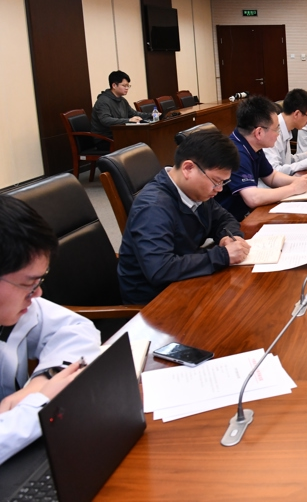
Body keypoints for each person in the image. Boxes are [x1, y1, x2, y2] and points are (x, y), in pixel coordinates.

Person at [0, 195, 101, 465]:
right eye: (29, 284)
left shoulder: (17, 306)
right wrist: (38, 403)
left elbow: (77, 328)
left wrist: (43, 379)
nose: (38, 294)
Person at [119, 130, 251, 303]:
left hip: (186, 283)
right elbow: (160, 269)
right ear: (188, 168)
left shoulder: (194, 191)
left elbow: (224, 219)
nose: (219, 189)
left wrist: (228, 237)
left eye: (223, 183)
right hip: (156, 302)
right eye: (216, 181)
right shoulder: (153, 207)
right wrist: (223, 255)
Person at [216, 95, 307, 222]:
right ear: (259, 132)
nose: (278, 134)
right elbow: (253, 198)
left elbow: (271, 176)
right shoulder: (236, 153)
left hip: (242, 216)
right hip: (227, 223)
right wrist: (293, 188)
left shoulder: (252, 145)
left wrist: (299, 181)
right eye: (276, 129)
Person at [263, 88, 307, 176]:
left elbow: (287, 160)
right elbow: (274, 171)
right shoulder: (272, 130)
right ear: (297, 114)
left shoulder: (285, 127)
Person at [90, 70, 152, 140]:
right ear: (114, 85)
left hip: (119, 134)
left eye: (128, 86)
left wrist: (151, 115)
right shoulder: (103, 101)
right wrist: (129, 120)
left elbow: (134, 114)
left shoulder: (122, 100)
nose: (127, 88)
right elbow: (106, 120)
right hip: (106, 139)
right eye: (124, 85)